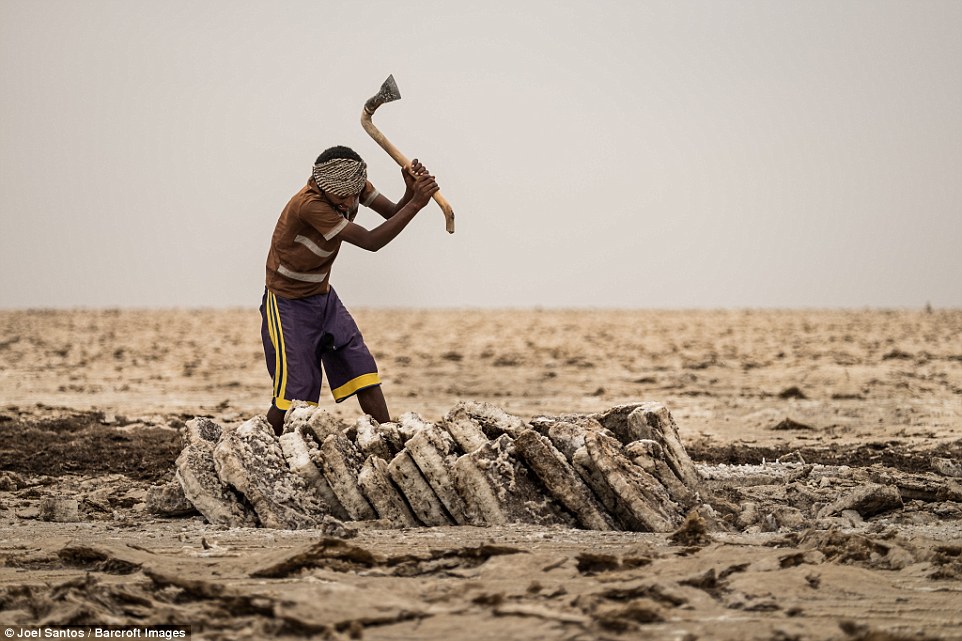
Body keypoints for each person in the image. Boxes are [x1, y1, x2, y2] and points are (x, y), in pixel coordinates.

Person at [260, 145, 439, 435]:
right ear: (321, 186)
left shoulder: (353, 186)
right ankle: (259, 443)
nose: (348, 202)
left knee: (361, 366)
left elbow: (392, 213)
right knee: (297, 393)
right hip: (287, 304)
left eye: (354, 195)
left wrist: (410, 192)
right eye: (341, 196)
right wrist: (417, 203)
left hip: (323, 297)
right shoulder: (310, 206)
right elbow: (371, 241)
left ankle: (387, 434)